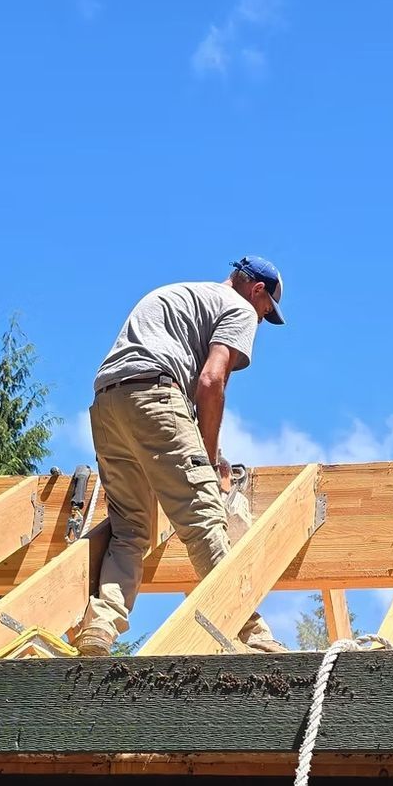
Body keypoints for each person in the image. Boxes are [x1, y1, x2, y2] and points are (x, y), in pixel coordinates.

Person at [71, 258, 289, 656]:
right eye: (265, 311)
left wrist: (205, 450)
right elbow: (211, 380)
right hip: (156, 395)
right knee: (204, 516)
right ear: (257, 290)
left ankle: (100, 627)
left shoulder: (179, 293)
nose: (260, 320)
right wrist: (207, 461)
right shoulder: (239, 308)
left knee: (129, 531)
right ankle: (252, 633)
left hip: (108, 404)